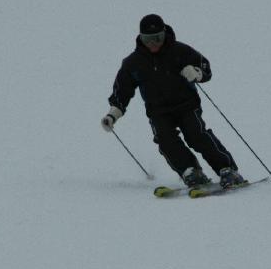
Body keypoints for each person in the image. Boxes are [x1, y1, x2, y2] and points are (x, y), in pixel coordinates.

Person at [101, 14, 245, 188]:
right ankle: (191, 171)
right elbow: (122, 91)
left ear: (164, 34)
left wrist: (197, 72)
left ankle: (227, 169)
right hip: (158, 111)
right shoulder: (133, 63)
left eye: (157, 38)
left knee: (196, 135)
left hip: (187, 105)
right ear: (140, 38)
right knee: (165, 140)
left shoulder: (180, 51)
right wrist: (113, 115)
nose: (153, 44)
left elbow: (205, 66)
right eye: (147, 39)